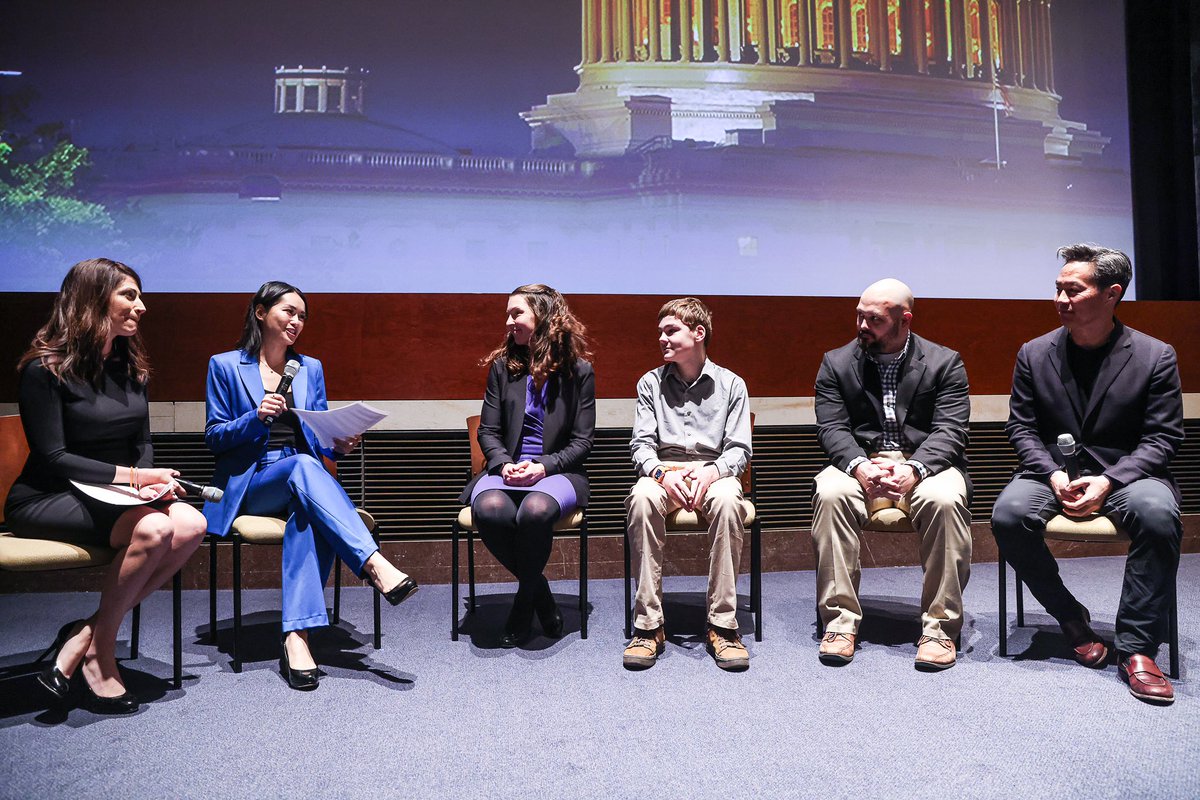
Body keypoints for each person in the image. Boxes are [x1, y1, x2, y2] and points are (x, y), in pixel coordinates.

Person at [6, 258, 207, 714]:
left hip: (113, 497)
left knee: (192, 523)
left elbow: (141, 442)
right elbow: (53, 457)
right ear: (94, 299)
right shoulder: (45, 369)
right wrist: (135, 480)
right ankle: (101, 654)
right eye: (129, 295)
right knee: (155, 531)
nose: (142, 306)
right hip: (46, 497)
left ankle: (83, 635)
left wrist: (149, 487)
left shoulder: (131, 368)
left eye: (139, 296)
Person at [991, 244, 1183, 705]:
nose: (1060, 299)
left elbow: (1162, 438)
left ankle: (1137, 648)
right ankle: (1070, 616)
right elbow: (1020, 428)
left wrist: (1109, 481)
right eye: (1057, 288)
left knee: (1158, 517)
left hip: (1126, 475)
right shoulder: (1034, 353)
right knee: (1008, 515)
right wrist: (1054, 475)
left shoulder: (1155, 356)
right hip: (1050, 474)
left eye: (1072, 290)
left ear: (1111, 294)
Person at [204, 281, 417, 691]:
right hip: (253, 483)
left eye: (303, 316)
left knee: (307, 509)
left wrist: (340, 442)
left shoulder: (309, 368)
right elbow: (213, 436)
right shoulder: (225, 365)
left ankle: (296, 639)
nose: (297, 321)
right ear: (261, 313)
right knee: (302, 468)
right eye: (289, 311)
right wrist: (255, 417)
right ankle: (373, 563)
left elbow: (317, 439)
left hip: (302, 480)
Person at [812, 278, 971, 670]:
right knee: (830, 493)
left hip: (924, 463)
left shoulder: (945, 362)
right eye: (859, 317)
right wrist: (860, 465)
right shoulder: (836, 362)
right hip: (860, 463)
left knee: (946, 499)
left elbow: (951, 430)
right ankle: (840, 623)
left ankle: (939, 629)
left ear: (905, 320)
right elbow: (831, 428)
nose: (862, 326)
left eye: (875, 320)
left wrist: (913, 468)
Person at [461, 284, 595, 647]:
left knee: (534, 511)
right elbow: (488, 431)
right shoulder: (503, 368)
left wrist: (543, 467)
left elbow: (583, 442)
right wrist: (504, 464)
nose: (508, 321)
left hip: (557, 471)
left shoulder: (579, 371)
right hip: (506, 469)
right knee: (489, 509)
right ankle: (540, 593)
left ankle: (523, 605)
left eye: (516, 313)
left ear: (544, 316)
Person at [623, 297, 753, 672]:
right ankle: (649, 626)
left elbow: (739, 449)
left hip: (714, 473)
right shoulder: (649, 382)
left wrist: (711, 473)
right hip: (664, 473)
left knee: (730, 502)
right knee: (643, 497)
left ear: (698, 334)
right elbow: (641, 446)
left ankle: (723, 626)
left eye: (671, 331)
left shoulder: (732, 385)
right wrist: (663, 474)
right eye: (660, 333)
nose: (662, 339)